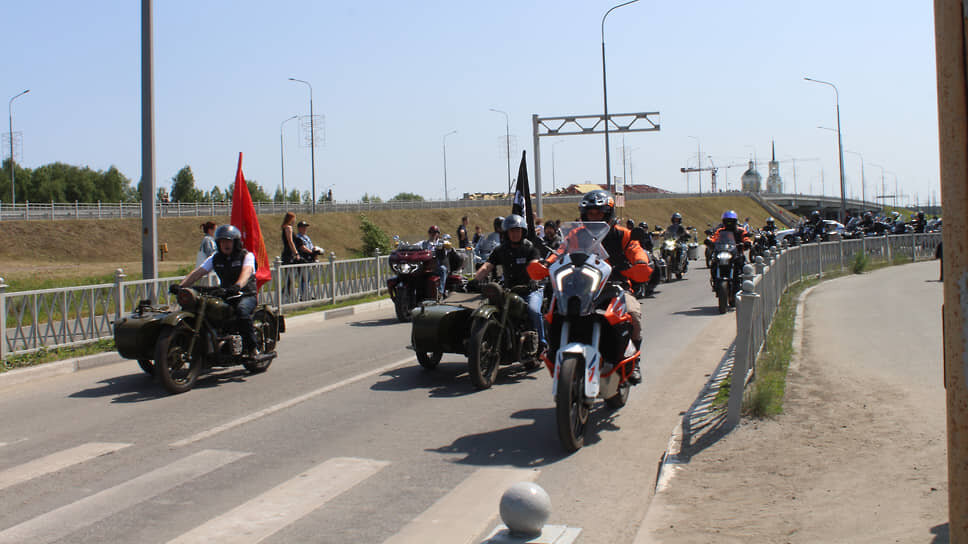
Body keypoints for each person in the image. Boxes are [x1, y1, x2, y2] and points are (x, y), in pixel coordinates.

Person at [531, 190, 652, 384]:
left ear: (608, 214)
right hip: (582, 285)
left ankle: (634, 360)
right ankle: (553, 350)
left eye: (599, 213)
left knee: (633, 313)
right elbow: (561, 251)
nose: (594, 217)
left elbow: (635, 249)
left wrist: (640, 262)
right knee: (553, 312)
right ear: (583, 214)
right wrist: (546, 264)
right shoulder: (576, 234)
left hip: (615, 285)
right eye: (590, 213)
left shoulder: (622, 234)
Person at [174, 225, 260, 358]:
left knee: (242, 311)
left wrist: (238, 286)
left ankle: (253, 348)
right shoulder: (215, 258)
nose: (225, 244)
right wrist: (181, 287)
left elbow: (246, 272)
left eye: (228, 241)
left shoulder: (246, 256)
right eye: (222, 241)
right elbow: (198, 272)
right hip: (226, 294)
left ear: (235, 242)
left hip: (245, 294)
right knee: (207, 311)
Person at [472, 214, 546, 355]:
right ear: (506, 233)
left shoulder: (530, 248)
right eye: (511, 231)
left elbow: (534, 264)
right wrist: (475, 280)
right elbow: (487, 266)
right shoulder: (501, 250)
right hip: (509, 291)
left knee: (533, 310)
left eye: (517, 230)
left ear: (522, 231)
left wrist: (533, 276)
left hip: (530, 290)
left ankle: (543, 344)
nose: (515, 234)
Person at [422, 225, 448, 295]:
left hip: (436, 266)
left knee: (443, 269)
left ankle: (440, 291)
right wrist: (407, 246)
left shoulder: (441, 243)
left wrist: (443, 248)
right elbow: (415, 245)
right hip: (425, 266)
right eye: (431, 232)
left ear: (438, 234)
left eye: (435, 232)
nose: (433, 234)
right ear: (429, 233)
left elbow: (445, 253)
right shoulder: (424, 243)